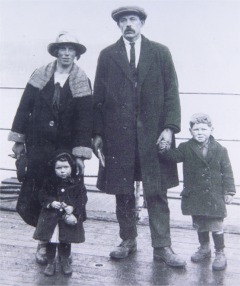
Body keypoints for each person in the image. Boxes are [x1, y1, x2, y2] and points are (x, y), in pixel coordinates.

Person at [92, 6, 186, 267]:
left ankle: (162, 247)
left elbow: (172, 93)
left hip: (154, 136)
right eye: (123, 21)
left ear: (142, 23)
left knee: (156, 191)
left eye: (133, 19)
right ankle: (128, 240)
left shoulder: (160, 52)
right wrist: (97, 133)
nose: (128, 24)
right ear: (118, 26)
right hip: (118, 136)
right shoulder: (107, 55)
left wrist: (169, 128)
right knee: (122, 191)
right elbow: (98, 97)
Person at [8, 32, 93, 264]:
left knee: (66, 195)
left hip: (64, 151)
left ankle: (65, 247)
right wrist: (18, 141)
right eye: (62, 49)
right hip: (38, 147)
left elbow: (86, 120)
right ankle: (43, 242)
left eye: (71, 49)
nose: (66, 53)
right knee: (41, 195)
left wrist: (80, 154)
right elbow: (23, 107)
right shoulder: (39, 76)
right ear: (56, 52)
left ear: (77, 54)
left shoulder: (82, 81)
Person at [159, 113, 236, 270]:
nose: (200, 132)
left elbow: (227, 171)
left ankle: (220, 252)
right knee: (200, 223)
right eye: (196, 129)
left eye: (203, 129)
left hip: (214, 196)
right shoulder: (186, 148)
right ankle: (204, 248)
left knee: (215, 224)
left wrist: (229, 191)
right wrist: (164, 149)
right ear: (190, 131)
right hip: (196, 195)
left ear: (211, 129)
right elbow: (173, 157)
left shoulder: (221, 150)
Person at [33, 151, 87, 276]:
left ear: (71, 167)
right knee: (51, 241)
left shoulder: (76, 183)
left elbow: (82, 198)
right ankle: (51, 263)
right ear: (54, 169)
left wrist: (72, 208)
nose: (62, 171)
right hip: (51, 218)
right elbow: (42, 195)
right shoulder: (49, 182)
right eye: (59, 168)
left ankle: (65, 261)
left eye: (66, 167)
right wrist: (51, 203)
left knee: (66, 241)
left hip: (66, 218)